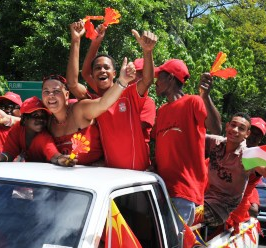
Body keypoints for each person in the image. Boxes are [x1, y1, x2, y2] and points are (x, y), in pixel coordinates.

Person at [42, 22, 136, 165]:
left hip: (109, 170)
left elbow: (103, 103)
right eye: (46, 92)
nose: (51, 96)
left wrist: (122, 82)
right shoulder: (48, 121)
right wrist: (76, 39)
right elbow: (74, 82)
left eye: (56, 91)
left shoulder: (82, 107)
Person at [72, 22, 157, 171]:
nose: (102, 71)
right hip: (111, 176)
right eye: (97, 68)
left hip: (137, 175)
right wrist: (96, 42)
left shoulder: (129, 93)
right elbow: (84, 73)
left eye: (106, 67)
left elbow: (147, 80)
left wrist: (147, 51)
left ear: (115, 74)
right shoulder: (95, 101)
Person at [152, 59, 222, 231]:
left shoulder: (193, 102)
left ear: (170, 78)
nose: (156, 82)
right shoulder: (161, 111)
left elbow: (216, 128)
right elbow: (154, 142)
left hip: (183, 191)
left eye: (159, 77)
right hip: (160, 188)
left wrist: (205, 96)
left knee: (174, 247)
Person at [203, 113, 266, 228]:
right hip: (205, 198)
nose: (235, 130)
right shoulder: (215, 143)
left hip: (228, 209)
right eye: (233, 125)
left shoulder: (251, 156)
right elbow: (194, 135)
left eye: (241, 128)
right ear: (227, 126)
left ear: (247, 133)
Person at [0, 96, 69, 166]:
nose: (40, 119)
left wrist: (60, 159)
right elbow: (9, 154)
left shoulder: (43, 137)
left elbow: (53, 154)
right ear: (24, 120)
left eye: (43, 116)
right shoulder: (17, 129)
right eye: (35, 115)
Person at [225, 117, 266, 232]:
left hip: (235, 212)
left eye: (258, 135)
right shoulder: (224, 146)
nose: (254, 136)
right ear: (247, 132)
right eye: (253, 132)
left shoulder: (258, 158)